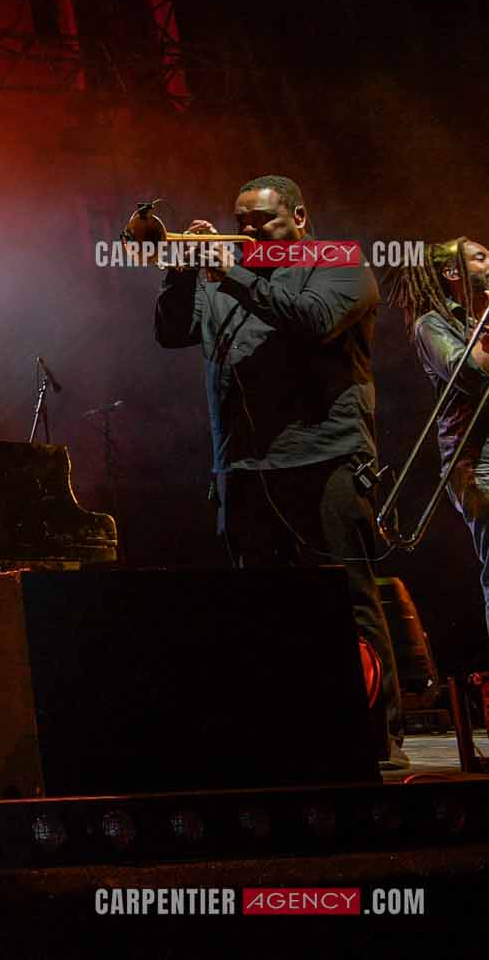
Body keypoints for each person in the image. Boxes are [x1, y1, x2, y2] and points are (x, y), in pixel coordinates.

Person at [153, 174, 404, 770]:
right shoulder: (221, 280)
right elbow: (170, 332)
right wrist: (183, 268)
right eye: (239, 221)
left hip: (326, 461)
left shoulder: (337, 262)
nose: (247, 231)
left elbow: (313, 321)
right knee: (261, 609)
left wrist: (230, 274)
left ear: (299, 214)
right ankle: (286, 735)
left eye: (261, 220)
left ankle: (376, 737)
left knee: (348, 600)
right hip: (243, 468)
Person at [389, 238, 489, 644]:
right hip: (477, 462)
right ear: (452, 273)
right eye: (482, 256)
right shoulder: (431, 323)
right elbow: (468, 373)